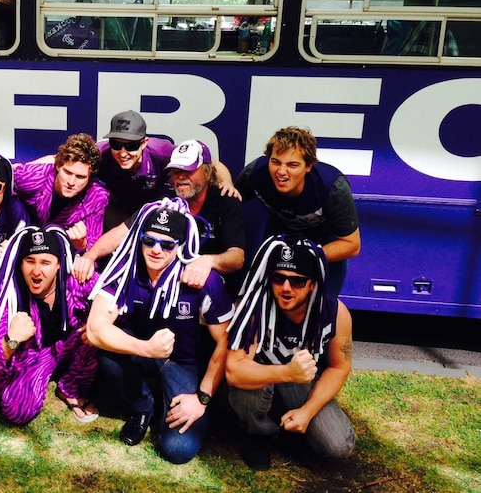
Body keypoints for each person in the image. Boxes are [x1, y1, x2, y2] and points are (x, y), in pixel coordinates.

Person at [86, 198, 234, 464]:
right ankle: (143, 407)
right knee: (106, 353)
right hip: (144, 350)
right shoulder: (127, 268)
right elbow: (95, 329)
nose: (156, 250)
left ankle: (201, 406)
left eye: (167, 244)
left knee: (177, 449)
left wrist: (201, 398)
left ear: (180, 246)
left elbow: (225, 342)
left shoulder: (202, 279)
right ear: (138, 238)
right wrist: (146, 348)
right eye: (148, 241)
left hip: (184, 363)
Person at [225, 234, 355, 470]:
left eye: (297, 281)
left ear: (313, 283)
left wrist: (308, 411)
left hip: (302, 382)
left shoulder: (335, 312)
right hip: (263, 378)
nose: (286, 288)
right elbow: (234, 370)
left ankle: (290, 426)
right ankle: (257, 433)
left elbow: (340, 366)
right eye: (279, 278)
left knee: (338, 445)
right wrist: (287, 372)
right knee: (246, 390)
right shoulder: (256, 307)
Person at [74, 140, 245, 295]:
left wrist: (208, 261)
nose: (181, 177)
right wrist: (90, 256)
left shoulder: (225, 200)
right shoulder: (166, 200)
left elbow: (237, 257)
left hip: (212, 288)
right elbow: (123, 231)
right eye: (176, 171)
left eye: (189, 170)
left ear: (209, 172)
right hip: (169, 288)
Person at [0, 226, 99, 425]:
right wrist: (11, 340)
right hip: (32, 359)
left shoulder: (74, 282)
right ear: (20, 263)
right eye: (30, 261)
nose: (36, 271)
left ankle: (70, 387)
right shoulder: (9, 296)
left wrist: (98, 323)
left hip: (70, 345)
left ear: (59, 264)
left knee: (97, 330)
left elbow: (115, 302)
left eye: (45, 262)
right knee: (16, 410)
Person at [232, 126, 361, 297]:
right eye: (275, 162)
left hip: (324, 242)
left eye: (292, 165)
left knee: (324, 309)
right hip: (280, 233)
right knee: (257, 300)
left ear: (309, 166)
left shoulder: (332, 188)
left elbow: (352, 245)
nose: (281, 172)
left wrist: (308, 255)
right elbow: (230, 203)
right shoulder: (255, 173)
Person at [13, 133, 108, 252]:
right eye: (67, 172)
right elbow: (1, 180)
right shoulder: (35, 176)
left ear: (90, 177)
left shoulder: (97, 197)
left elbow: (92, 246)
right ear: (57, 166)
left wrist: (81, 244)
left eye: (80, 177)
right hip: (23, 239)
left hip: (61, 252)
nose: (71, 182)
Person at [95, 110, 175, 229]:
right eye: (116, 145)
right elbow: (65, 159)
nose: (123, 154)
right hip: (118, 204)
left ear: (144, 143)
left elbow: (195, 163)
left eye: (131, 146)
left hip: (154, 204)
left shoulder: (164, 152)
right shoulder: (99, 153)